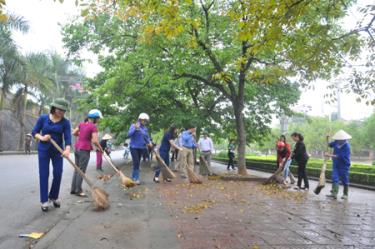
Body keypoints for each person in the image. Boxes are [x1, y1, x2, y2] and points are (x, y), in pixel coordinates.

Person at [31, 98, 71, 212]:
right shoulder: (43, 118)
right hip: (44, 149)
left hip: (58, 151)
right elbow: (35, 132)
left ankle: (53, 196)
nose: (61, 112)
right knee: (44, 174)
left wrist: (67, 149)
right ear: (54, 108)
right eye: (60, 109)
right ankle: (44, 200)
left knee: (58, 173)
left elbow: (68, 138)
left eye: (64, 110)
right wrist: (42, 137)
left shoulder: (65, 122)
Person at [71, 109, 102, 197]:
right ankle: (78, 190)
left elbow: (74, 133)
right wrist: (100, 148)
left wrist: (82, 135)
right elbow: (95, 141)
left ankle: (73, 189)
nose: (98, 120)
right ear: (94, 118)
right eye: (98, 118)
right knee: (81, 171)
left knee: (77, 169)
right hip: (84, 150)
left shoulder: (81, 124)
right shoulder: (93, 127)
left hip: (77, 148)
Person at [325, 130, 352, 200]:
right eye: (337, 139)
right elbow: (329, 145)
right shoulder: (336, 142)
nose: (338, 140)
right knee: (335, 178)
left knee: (344, 179)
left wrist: (329, 155)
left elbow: (340, 156)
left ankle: (345, 194)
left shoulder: (347, 146)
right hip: (336, 164)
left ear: (344, 139)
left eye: (340, 139)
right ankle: (334, 194)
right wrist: (327, 138)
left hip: (344, 165)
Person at [128, 113, 152, 184]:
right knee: (136, 162)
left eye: (145, 120)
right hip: (134, 147)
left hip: (142, 147)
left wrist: (149, 142)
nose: (144, 122)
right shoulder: (133, 125)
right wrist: (135, 128)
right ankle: (136, 178)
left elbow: (146, 137)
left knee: (137, 163)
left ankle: (133, 176)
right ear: (140, 119)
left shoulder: (145, 128)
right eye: (143, 120)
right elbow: (129, 134)